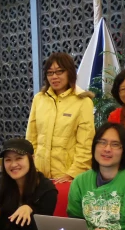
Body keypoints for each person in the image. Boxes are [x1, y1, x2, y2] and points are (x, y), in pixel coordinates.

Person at [26, 52, 95, 184]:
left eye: (59, 71)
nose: (54, 77)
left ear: (69, 72)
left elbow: (86, 145)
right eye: (50, 73)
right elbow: (31, 139)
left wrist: (73, 174)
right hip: (39, 176)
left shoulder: (83, 101)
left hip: (67, 178)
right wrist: (31, 169)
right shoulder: (39, 99)